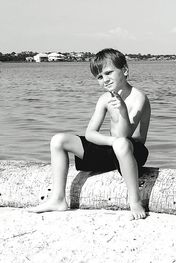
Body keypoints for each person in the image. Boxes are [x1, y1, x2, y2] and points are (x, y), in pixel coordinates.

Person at [29, 48, 151, 220]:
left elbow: (125, 135)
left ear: (124, 70)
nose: (105, 79)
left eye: (109, 73)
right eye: (100, 77)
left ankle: (135, 200)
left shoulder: (139, 97)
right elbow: (90, 134)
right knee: (58, 140)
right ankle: (57, 199)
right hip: (112, 148)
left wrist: (123, 111)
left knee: (121, 143)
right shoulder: (104, 99)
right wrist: (110, 141)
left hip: (133, 153)